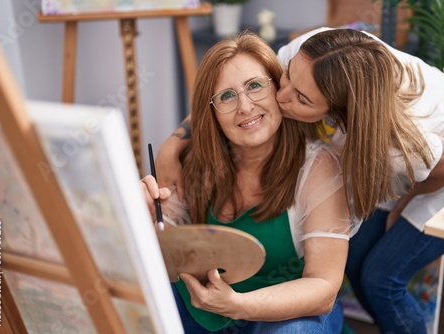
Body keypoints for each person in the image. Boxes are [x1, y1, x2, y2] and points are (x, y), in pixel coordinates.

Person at [155, 27, 444, 333]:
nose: (281, 98)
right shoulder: (310, 55)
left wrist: (407, 205)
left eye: (301, 99)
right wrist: (171, 147)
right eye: (282, 79)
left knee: (380, 280)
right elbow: (231, 83)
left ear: (339, 112)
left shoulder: (397, 150)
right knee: (355, 261)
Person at [143, 32, 360, 334]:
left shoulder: (317, 167)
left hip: (288, 313)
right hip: (206, 310)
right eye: (227, 96)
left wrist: (239, 305)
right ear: (212, 111)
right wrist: (145, 216)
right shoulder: (195, 157)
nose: (244, 107)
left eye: (255, 86)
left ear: (279, 90)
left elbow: (323, 287)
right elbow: (164, 231)